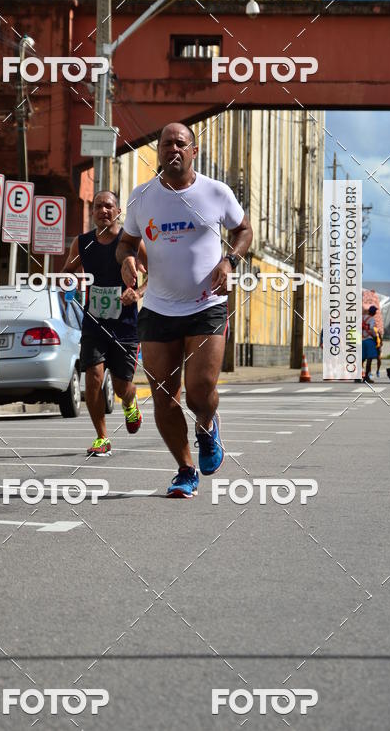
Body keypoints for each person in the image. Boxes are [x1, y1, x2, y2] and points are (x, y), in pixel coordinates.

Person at [117, 122, 253, 498]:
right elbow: (126, 243)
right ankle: (184, 469)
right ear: (158, 151)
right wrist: (127, 260)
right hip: (159, 309)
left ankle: (208, 426)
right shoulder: (142, 197)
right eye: (165, 144)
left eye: (180, 143)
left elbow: (244, 231)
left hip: (206, 304)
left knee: (199, 391)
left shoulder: (215, 192)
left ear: (194, 150)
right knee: (163, 395)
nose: (172, 149)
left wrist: (229, 262)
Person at [61, 190, 146, 455]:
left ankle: (130, 403)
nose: (103, 211)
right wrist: (70, 284)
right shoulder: (82, 242)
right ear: (93, 212)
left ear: (118, 211)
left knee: (122, 386)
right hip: (94, 322)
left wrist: (138, 293)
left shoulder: (130, 242)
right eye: (98, 207)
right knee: (94, 377)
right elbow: (67, 272)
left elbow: (155, 274)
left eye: (108, 206)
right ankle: (102, 437)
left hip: (125, 325)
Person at [361, 306, 379, 382]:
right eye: (375, 311)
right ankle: (366, 377)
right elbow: (371, 328)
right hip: (369, 339)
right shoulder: (372, 319)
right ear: (373, 312)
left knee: (361, 359)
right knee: (369, 359)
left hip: (361, 339)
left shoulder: (362, 317)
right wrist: (375, 337)